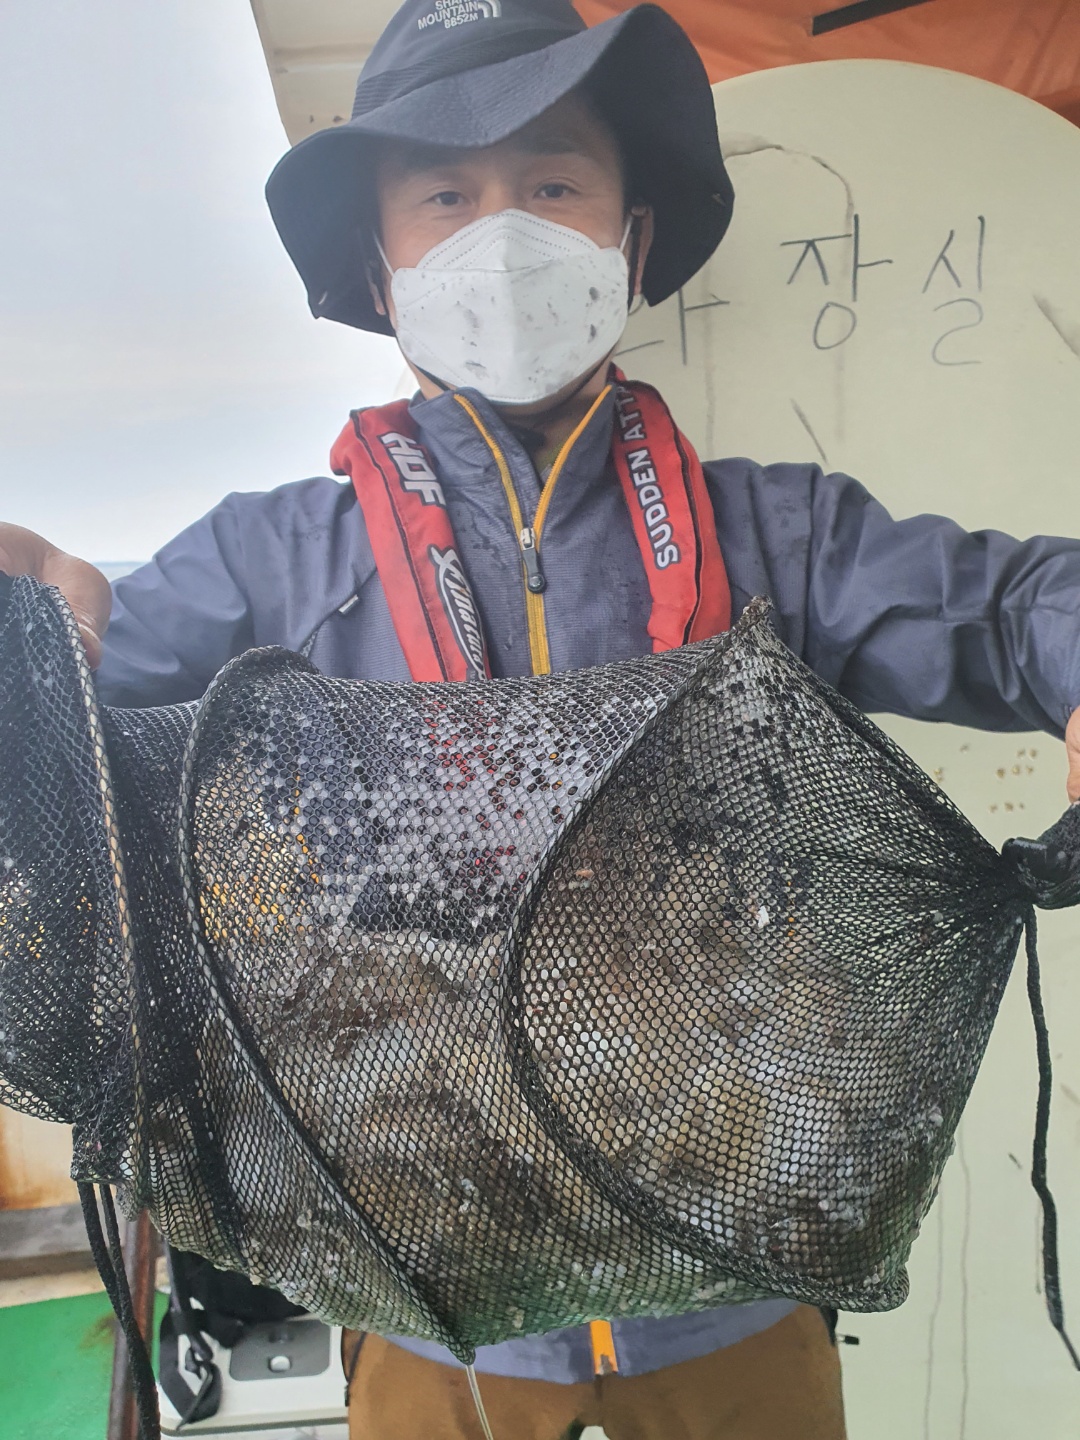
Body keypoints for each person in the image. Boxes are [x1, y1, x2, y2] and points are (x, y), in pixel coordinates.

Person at [3, 1, 1080, 1435]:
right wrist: (30, 642)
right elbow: (62, 734)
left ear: (629, 243)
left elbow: (1016, 607)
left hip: (737, 1275)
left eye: (554, 182)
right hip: (422, 1296)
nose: (502, 234)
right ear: (381, 271)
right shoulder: (272, 560)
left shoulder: (778, 532)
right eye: (445, 198)